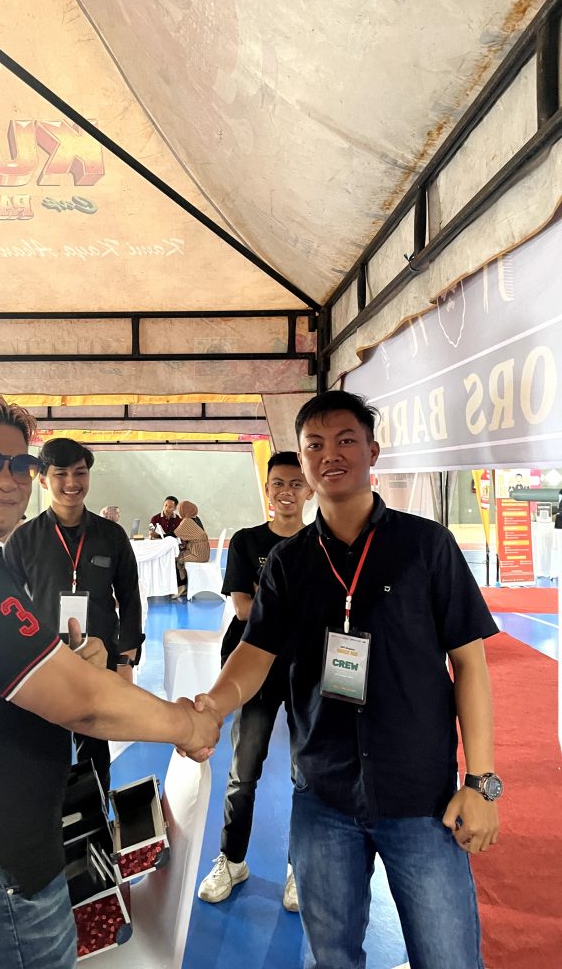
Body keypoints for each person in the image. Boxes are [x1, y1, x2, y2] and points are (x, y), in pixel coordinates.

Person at [0, 394, 220, 969]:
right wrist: (188, 725)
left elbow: (14, 671)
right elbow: (83, 704)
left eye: (20, 465)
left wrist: (77, 660)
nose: (8, 480)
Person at [189, 390, 501, 969]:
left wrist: (480, 783)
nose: (329, 455)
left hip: (421, 797)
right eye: (315, 445)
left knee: (449, 957)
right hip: (324, 795)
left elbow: (470, 663)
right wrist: (212, 704)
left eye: (345, 441)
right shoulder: (289, 563)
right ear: (303, 462)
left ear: (372, 452)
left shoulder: (426, 545)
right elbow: (256, 653)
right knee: (329, 957)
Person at [197, 452, 313, 909]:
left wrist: (276, 604)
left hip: (305, 669)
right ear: (267, 490)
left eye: (295, 483)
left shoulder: (320, 543)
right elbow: (244, 609)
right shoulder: (247, 541)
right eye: (278, 483)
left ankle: (299, 868)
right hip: (254, 669)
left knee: (306, 774)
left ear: (308, 490)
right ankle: (232, 859)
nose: (286, 491)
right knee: (243, 772)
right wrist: (294, 609)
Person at [4, 437, 141, 796]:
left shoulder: (111, 536)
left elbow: (130, 599)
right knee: (43, 746)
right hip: (44, 662)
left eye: (80, 473)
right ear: (42, 479)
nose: (71, 482)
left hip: (99, 659)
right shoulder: (23, 540)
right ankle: (48, 819)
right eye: (60, 474)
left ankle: (97, 817)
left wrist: (125, 660)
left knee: (95, 747)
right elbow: (6, 607)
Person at [174, 499, 210, 595]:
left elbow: (175, 534)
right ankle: (186, 585)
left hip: (197, 553)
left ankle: (181, 586)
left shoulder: (187, 521)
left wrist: (160, 535)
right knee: (180, 555)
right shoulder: (196, 519)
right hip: (203, 552)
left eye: (180, 510)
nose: (178, 512)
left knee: (177, 559)